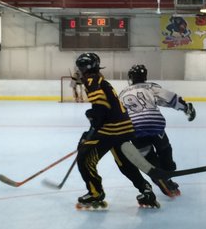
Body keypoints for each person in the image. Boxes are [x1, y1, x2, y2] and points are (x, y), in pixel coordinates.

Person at [72, 52, 159, 210]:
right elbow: (104, 107)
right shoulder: (99, 78)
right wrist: (94, 121)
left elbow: (100, 106)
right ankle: (145, 189)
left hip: (113, 129)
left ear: (86, 67)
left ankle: (95, 193)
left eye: (80, 67)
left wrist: (92, 122)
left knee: (85, 159)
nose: (79, 70)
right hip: (124, 126)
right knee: (124, 163)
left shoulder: (91, 79)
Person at [119, 63, 196, 197]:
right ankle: (168, 174)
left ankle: (160, 178)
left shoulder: (122, 93)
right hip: (155, 123)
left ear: (131, 77)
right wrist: (186, 108)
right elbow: (169, 98)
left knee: (148, 157)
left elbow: (118, 113)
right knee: (164, 149)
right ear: (145, 76)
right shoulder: (151, 86)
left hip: (134, 128)